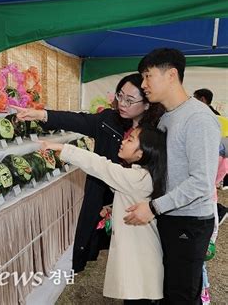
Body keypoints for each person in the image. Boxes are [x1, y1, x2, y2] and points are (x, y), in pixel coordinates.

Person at [12, 73, 164, 273]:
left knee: (135, 255)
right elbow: (77, 120)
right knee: (101, 239)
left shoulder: (156, 132)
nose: (122, 104)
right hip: (103, 193)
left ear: (147, 104)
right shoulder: (109, 120)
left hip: (136, 202)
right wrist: (41, 115)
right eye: (120, 96)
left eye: (130, 100)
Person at [124, 48, 220, 304]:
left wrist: (154, 207)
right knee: (166, 290)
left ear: (171, 75)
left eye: (148, 76)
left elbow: (201, 182)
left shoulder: (198, 119)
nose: (143, 85)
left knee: (181, 295)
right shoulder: (167, 118)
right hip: (169, 215)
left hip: (189, 222)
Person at [40, 124, 167, 304]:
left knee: (137, 300)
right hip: (141, 257)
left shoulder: (136, 178)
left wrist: (64, 148)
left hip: (140, 259)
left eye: (130, 140)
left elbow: (101, 166)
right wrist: (111, 207)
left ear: (141, 153)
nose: (123, 142)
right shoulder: (143, 176)